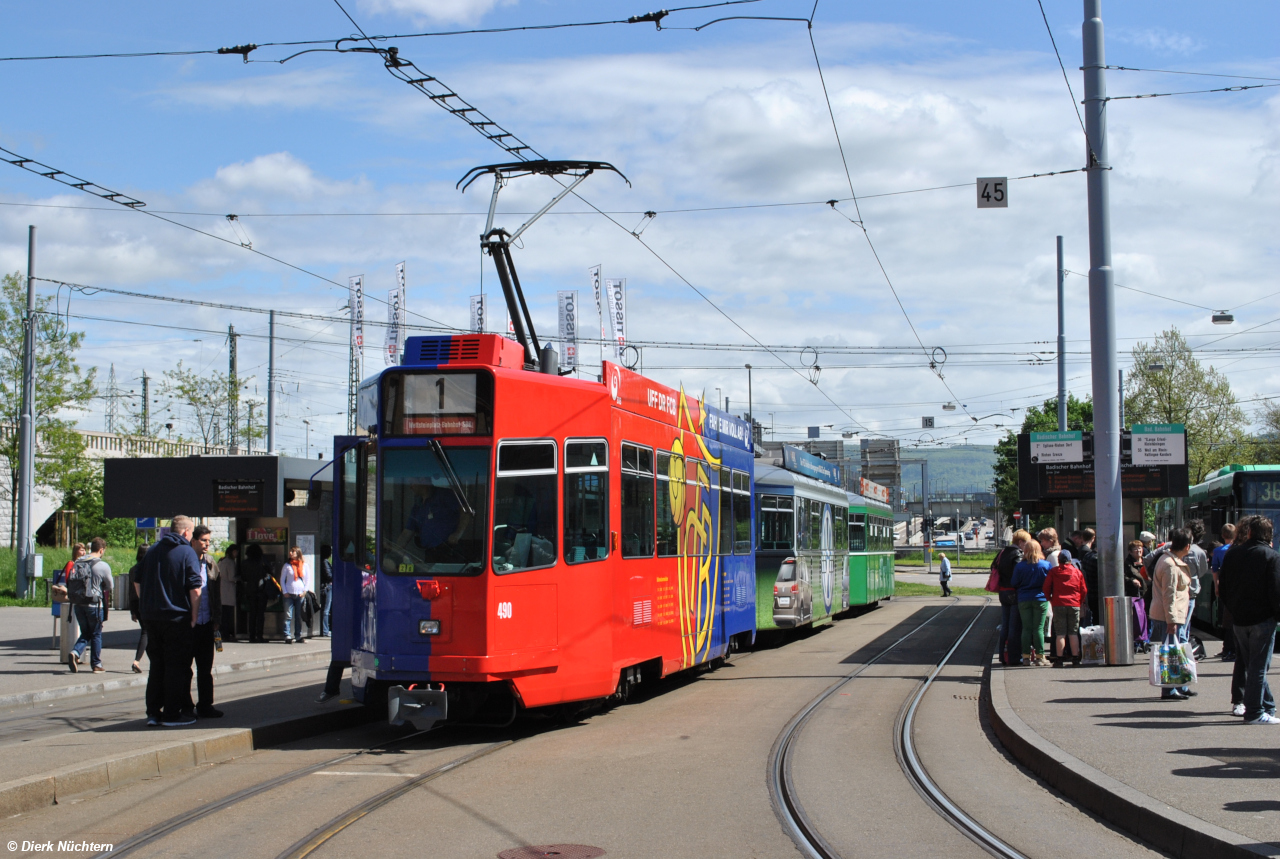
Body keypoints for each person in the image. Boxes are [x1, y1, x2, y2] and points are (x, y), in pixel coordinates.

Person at [139, 515, 203, 727]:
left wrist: (146, 604)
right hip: (176, 617)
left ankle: (153, 712)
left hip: (151, 618)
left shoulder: (152, 551)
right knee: (176, 666)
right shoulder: (187, 552)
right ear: (186, 532)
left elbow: (137, 580)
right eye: (192, 532)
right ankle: (172, 714)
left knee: (157, 665)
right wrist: (194, 616)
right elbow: (195, 588)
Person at [1218, 514, 1280, 724]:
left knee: (1252, 665)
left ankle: (1268, 705)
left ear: (1250, 532)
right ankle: (1255, 712)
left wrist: (1234, 609)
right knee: (1258, 667)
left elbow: (1223, 588)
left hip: (1239, 620)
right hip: (1262, 619)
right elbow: (1276, 591)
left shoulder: (1233, 554)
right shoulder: (1271, 556)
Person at [1150, 529, 1195, 701]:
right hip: (1169, 616)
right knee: (1170, 653)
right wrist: (1172, 621)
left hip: (1172, 615)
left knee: (1176, 652)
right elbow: (1169, 595)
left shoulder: (1170, 560)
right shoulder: (1169, 564)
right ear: (1187, 545)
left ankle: (1180, 685)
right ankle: (1169, 690)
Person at [189, 526, 223, 718]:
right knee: (186, 669)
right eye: (203, 540)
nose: (206, 544)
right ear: (193, 541)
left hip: (207, 623)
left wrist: (216, 620)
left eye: (208, 541)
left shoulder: (210, 563)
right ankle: (186, 705)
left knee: (205, 668)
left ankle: (205, 705)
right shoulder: (186, 561)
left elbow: (216, 595)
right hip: (189, 624)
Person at [68, 538, 113, 674]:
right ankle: (96, 664)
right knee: (96, 633)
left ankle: (75, 652)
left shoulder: (78, 562)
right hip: (94, 604)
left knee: (86, 632)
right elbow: (110, 586)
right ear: (101, 550)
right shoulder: (102, 565)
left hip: (78, 603)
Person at [1012, 538, 1052, 666]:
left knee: (1026, 628)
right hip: (1040, 599)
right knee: (1038, 628)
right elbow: (1050, 583)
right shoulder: (1045, 565)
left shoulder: (1020, 566)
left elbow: (1014, 583)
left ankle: (1025, 657)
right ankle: (1040, 657)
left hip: (1024, 599)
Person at [1044, 552, 1087, 665]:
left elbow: (1046, 587)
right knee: (1073, 632)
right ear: (1070, 560)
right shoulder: (1077, 572)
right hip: (1074, 604)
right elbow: (1083, 590)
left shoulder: (1053, 572)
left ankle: (1059, 659)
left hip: (1058, 604)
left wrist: (1050, 599)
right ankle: (1075, 658)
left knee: (1060, 633)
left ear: (1059, 560)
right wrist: (1079, 601)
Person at [994, 532, 1026, 666]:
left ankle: (1003, 655)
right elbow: (1017, 574)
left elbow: (993, 567)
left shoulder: (1002, 552)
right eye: (1026, 543)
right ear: (1020, 542)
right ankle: (1013, 657)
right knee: (1014, 626)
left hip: (1003, 592)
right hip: (1013, 592)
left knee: (1005, 625)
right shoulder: (1017, 554)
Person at [54, 543, 86, 662]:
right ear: (76, 551)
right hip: (74, 594)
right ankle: (75, 651)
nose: (83, 552)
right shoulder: (71, 563)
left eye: (84, 550)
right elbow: (68, 578)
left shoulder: (84, 563)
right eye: (81, 550)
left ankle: (78, 651)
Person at [1212, 523, 1236, 662]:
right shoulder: (1238, 549)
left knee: (1226, 619)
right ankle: (1233, 648)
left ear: (1222, 535)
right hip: (1236, 588)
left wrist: (1217, 586)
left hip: (1225, 587)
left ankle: (1227, 648)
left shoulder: (1218, 551)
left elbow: (1215, 570)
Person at [1182, 519, 1209, 645]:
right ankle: (1181, 655)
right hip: (1190, 592)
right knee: (1184, 625)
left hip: (1174, 591)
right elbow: (1202, 571)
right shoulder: (1199, 552)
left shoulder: (1172, 548)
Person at [244, 544, 273, 643]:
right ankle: (259, 635)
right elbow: (270, 572)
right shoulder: (262, 562)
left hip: (250, 590)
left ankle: (251, 636)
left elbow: (243, 577)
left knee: (252, 613)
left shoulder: (245, 563)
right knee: (260, 614)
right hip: (262, 589)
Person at [1124, 540, 1150, 651]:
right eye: (1136, 549)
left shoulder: (1146, 561)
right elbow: (1122, 577)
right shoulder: (1127, 563)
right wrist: (1132, 580)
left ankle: (1146, 640)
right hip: (1134, 594)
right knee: (1136, 619)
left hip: (1148, 593)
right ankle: (1136, 641)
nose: (1139, 551)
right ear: (1130, 552)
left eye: (1140, 548)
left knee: (1147, 618)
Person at [280, 546, 309, 644]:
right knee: (288, 615)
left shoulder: (304, 565)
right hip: (289, 593)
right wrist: (284, 592)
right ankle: (287, 635)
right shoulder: (287, 566)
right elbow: (282, 579)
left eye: (293, 552)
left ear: (298, 553)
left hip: (300, 594)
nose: (291, 553)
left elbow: (307, 580)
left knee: (298, 616)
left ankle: (298, 636)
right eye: (290, 551)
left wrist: (305, 591)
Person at [128, 544, 150, 674]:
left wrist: (132, 610)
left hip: (136, 603)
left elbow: (130, 591)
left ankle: (151, 660)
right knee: (146, 632)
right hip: (146, 603)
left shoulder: (133, 569)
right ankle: (136, 661)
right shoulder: (149, 569)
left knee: (147, 632)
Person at [217, 544, 239, 642]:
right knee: (228, 615)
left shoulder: (221, 561)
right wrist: (240, 579)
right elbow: (231, 577)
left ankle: (223, 633)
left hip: (221, 590)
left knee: (223, 614)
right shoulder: (230, 563)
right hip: (229, 591)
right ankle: (226, 634)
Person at [319, 544, 333, 638]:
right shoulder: (325, 562)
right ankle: (325, 630)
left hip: (324, 586)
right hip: (327, 587)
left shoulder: (322, 561)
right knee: (326, 609)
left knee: (325, 609)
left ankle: (325, 629)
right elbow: (329, 576)